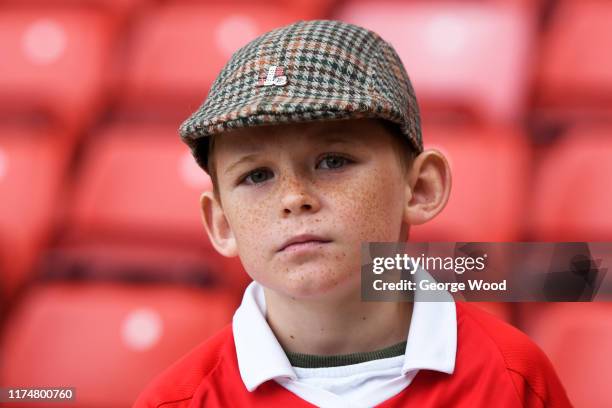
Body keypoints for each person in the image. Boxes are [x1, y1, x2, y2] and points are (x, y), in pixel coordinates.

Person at [134, 20, 571, 407]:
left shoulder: (515, 379)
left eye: (333, 161)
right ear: (221, 223)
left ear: (420, 188)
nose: (293, 198)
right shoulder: (177, 400)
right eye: (256, 175)